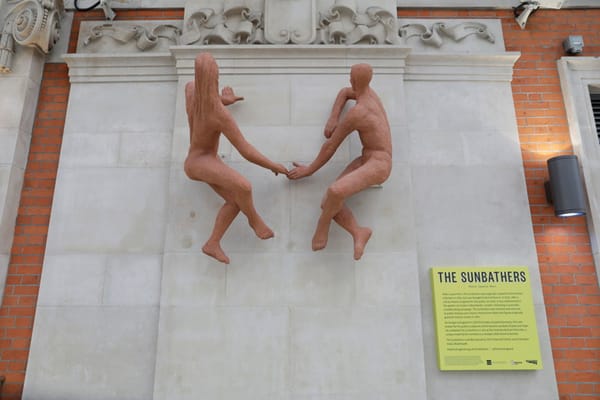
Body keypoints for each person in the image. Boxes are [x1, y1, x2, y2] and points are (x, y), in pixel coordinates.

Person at [184, 53, 288, 264]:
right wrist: (272, 165)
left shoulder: (191, 90)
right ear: (214, 78)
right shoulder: (219, 114)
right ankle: (254, 220)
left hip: (197, 160)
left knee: (234, 200)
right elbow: (245, 150)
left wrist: (224, 99)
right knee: (244, 187)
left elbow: (205, 98)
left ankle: (212, 244)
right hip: (201, 162)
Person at [287, 63, 392, 260]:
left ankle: (322, 226)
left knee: (335, 192)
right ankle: (359, 232)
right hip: (366, 157)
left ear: (352, 79)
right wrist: (333, 118)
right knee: (329, 202)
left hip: (379, 164)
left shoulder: (359, 113)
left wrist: (309, 170)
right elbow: (345, 93)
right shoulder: (370, 93)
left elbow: (330, 146)